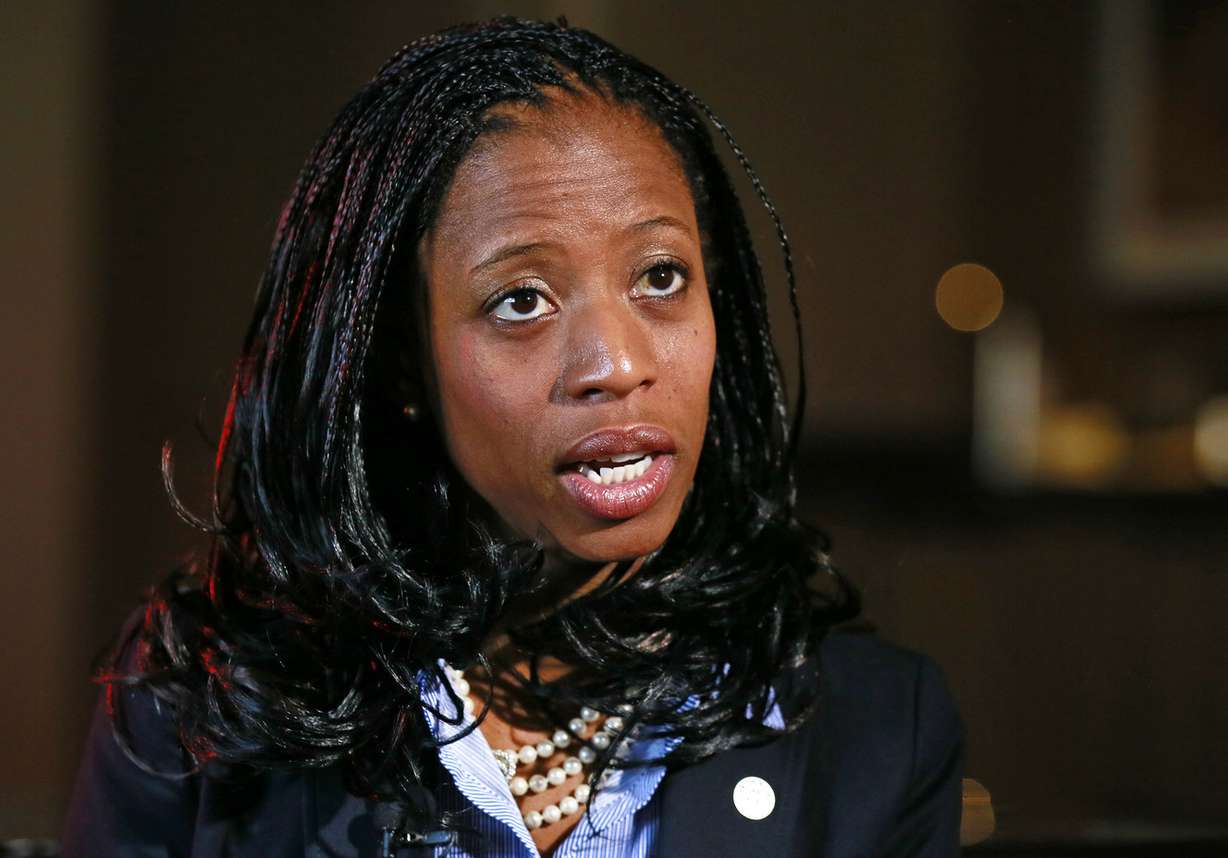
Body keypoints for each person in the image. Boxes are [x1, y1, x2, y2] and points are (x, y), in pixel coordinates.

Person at [62, 16, 964, 858]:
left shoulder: (879, 731)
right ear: (405, 363)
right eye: (521, 301)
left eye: (660, 276)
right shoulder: (202, 701)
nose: (616, 364)